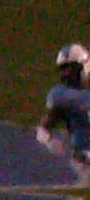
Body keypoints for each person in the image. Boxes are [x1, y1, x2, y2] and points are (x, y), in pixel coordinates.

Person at [38, 43, 90, 171]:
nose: (65, 74)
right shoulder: (62, 96)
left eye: (70, 69)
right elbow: (44, 128)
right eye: (63, 69)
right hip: (84, 158)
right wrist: (49, 142)